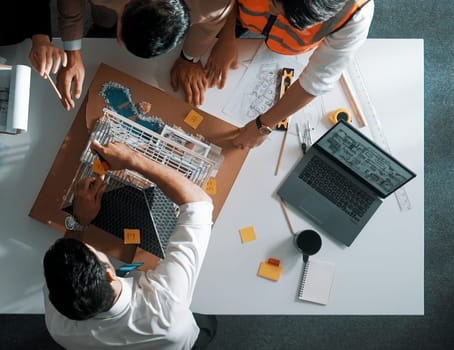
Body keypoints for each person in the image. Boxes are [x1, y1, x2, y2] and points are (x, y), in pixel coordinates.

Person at [43, 139, 216, 349]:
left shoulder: (59, 325)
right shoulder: (166, 305)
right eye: (92, 251)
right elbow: (199, 203)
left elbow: (67, 271)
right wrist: (132, 160)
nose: (91, 247)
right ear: (108, 273)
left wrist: (79, 222)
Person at [205, 0, 374, 150]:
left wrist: (263, 126)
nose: (271, 9)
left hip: (285, 46)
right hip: (234, 14)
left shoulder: (356, 15)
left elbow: (316, 80)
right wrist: (227, 37)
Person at [54, 0, 235, 111]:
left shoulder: (213, 4)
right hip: (107, 6)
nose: (118, 43)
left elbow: (211, 24)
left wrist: (189, 58)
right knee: (103, 17)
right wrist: (72, 53)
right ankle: (104, 24)